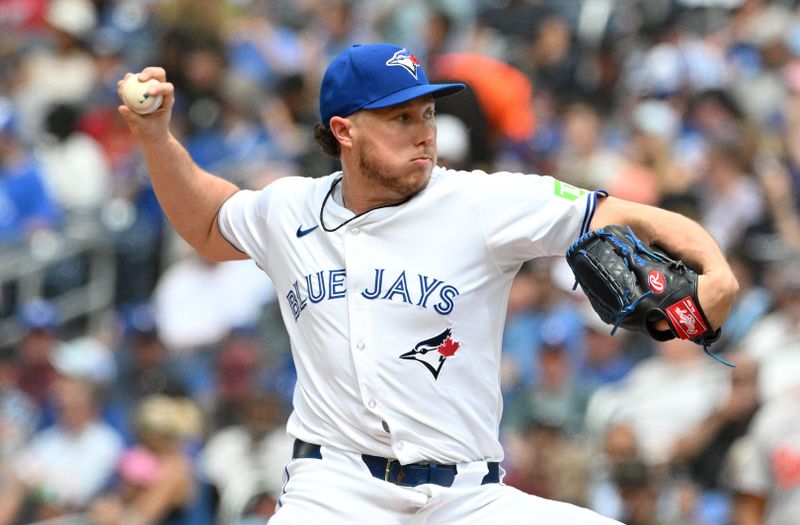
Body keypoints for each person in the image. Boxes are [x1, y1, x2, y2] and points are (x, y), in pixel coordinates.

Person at [117, 42, 738, 524]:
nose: (424, 131)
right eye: (400, 117)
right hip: (335, 491)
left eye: (428, 112)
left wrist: (716, 272)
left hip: (467, 496)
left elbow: (630, 216)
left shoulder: (482, 201)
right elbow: (205, 220)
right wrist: (154, 135)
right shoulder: (290, 210)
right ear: (344, 130)